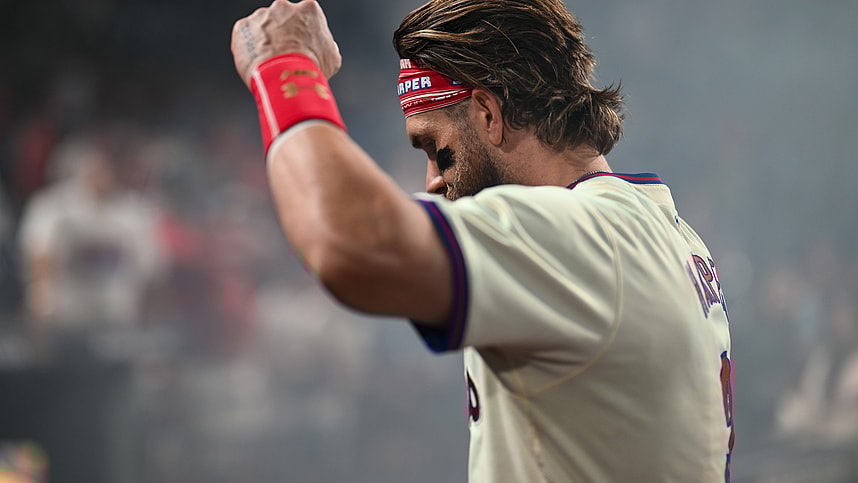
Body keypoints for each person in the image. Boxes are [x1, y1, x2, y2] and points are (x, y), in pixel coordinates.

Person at [230, 0, 734, 481]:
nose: (430, 179)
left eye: (436, 148)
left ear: (489, 114)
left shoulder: (582, 234)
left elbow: (346, 242)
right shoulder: (662, 231)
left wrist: (283, 67)